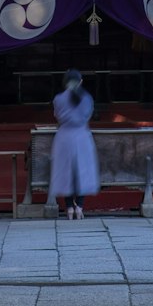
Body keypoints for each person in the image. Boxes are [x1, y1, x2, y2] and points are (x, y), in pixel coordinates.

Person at [50, 68, 99, 220]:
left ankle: (69, 208)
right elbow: (88, 116)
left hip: (64, 137)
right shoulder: (87, 98)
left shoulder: (58, 99)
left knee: (66, 172)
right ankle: (80, 206)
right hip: (82, 137)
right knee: (82, 172)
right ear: (81, 82)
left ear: (65, 83)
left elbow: (57, 116)